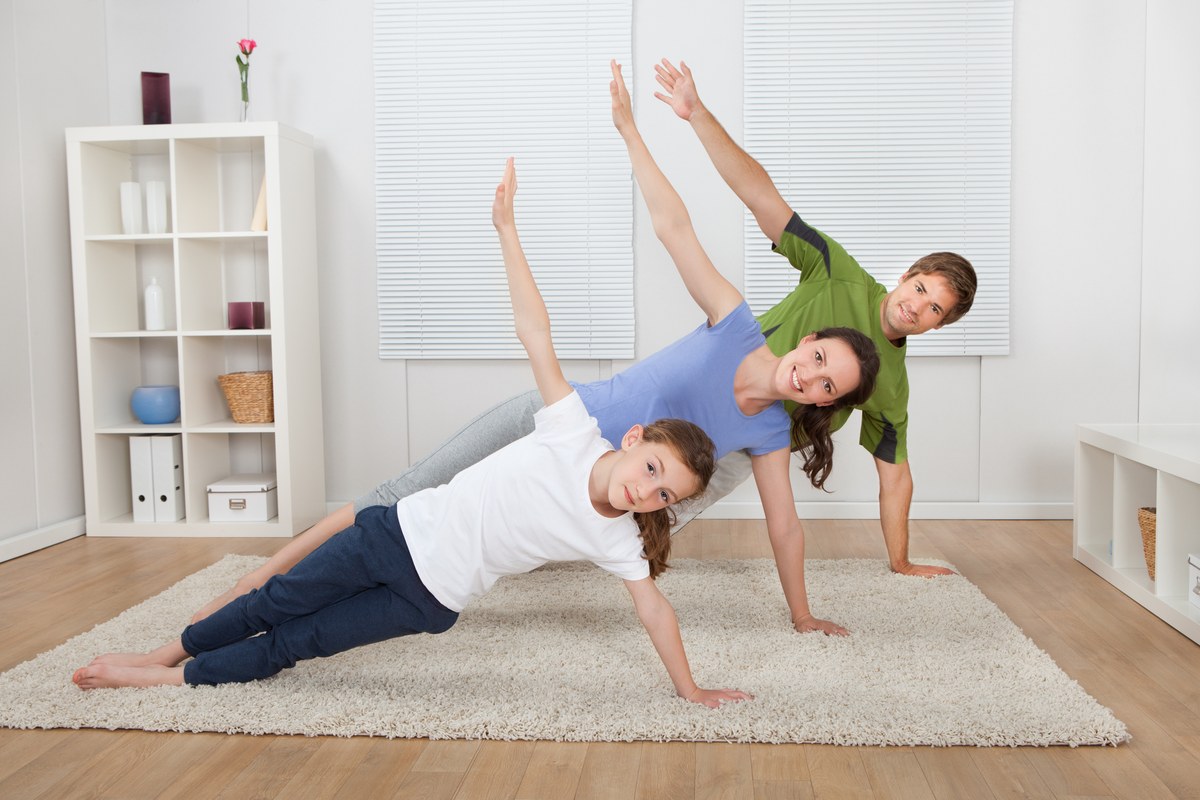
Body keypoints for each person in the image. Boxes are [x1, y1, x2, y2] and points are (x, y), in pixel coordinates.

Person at [190, 61, 881, 636]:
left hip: (589, 480)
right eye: (820, 361)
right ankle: (262, 576)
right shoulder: (735, 323)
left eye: (829, 389)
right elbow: (674, 227)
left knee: (466, 543)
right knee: (404, 493)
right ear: (810, 340)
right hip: (552, 416)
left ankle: (312, 597)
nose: (811, 380)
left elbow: (784, 527)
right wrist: (630, 131)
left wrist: (803, 614)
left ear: (829, 404)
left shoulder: (765, 432)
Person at [73, 158, 752, 709]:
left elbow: (657, 614)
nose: (650, 493)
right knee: (277, 600)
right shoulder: (574, 431)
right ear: (634, 439)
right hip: (391, 535)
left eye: (666, 498)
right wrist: (506, 229)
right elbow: (535, 332)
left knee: (297, 643)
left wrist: (690, 690)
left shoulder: (616, 538)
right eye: (656, 470)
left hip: (427, 600)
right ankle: (167, 652)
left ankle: (164, 681)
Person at [652, 58, 978, 579]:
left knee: (652, 515)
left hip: (748, 446)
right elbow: (761, 195)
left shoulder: (891, 385)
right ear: (907, 276)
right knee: (601, 451)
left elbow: (896, 476)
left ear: (937, 326)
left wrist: (901, 561)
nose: (917, 306)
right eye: (920, 288)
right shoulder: (836, 271)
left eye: (933, 308)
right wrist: (697, 115)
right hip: (708, 380)